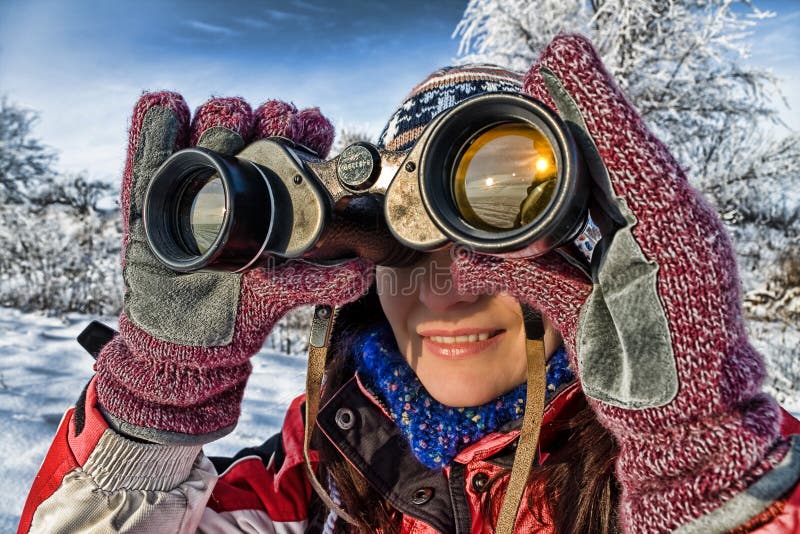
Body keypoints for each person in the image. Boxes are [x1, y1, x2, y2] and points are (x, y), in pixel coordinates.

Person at [18, 34, 800, 534]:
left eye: (494, 235)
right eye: (405, 247)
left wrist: (705, 478)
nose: (449, 292)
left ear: (592, 252)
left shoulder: (722, 463)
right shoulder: (322, 468)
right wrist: (153, 412)